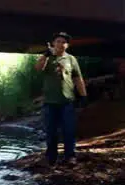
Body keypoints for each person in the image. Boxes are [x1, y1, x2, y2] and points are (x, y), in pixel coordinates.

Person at [35, 32, 87, 166]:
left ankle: (70, 156)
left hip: (67, 102)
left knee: (69, 130)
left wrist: (83, 96)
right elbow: (38, 68)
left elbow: (77, 78)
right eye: (57, 41)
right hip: (49, 103)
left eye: (63, 42)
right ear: (53, 43)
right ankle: (51, 157)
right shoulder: (47, 58)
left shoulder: (71, 59)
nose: (60, 44)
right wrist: (46, 54)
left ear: (67, 45)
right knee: (51, 131)